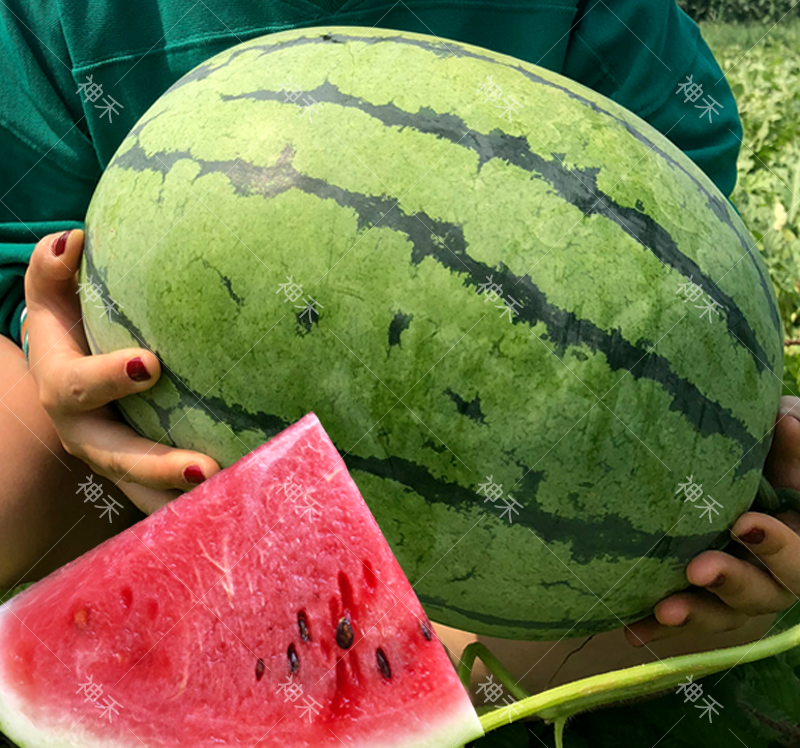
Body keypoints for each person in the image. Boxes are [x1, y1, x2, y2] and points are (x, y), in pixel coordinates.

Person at [1, 0, 797, 695]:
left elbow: (676, 266)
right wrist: (50, 338)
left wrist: (739, 462)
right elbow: (17, 252)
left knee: (693, 607)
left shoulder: (601, 11)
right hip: (119, 429)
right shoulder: (61, 15)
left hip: (481, 517)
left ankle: (401, 660)